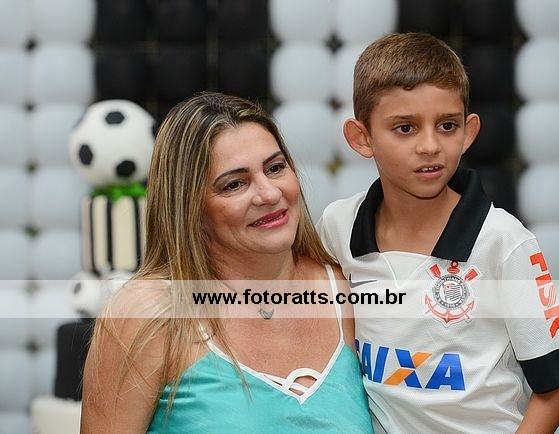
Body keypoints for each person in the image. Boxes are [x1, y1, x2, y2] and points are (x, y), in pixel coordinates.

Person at [317, 32, 559, 433]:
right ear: (362, 137)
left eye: (446, 126)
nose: (430, 146)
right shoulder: (337, 227)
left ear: (468, 132)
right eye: (405, 128)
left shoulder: (503, 242)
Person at [81, 92, 374, 433]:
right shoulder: (146, 315)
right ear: (189, 208)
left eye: (275, 168)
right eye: (234, 184)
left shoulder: (346, 288)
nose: (269, 194)